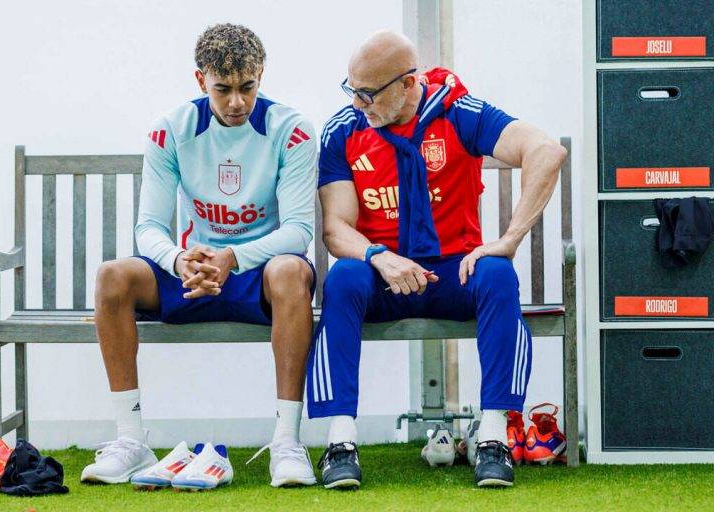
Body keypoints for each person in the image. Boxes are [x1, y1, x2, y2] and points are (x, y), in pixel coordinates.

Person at [308, 30, 567, 489]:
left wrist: (509, 239)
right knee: (344, 277)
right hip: (384, 276)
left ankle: (493, 437)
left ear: (408, 83)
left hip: (452, 272)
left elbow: (546, 151)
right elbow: (336, 228)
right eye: (351, 89)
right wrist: (378, 256)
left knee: (497, 273)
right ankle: (340, 442)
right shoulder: (344, 129)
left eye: (368, 93)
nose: (358, 103)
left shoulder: (459, 112)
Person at [80, 23, 318, 489]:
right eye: (222, 89)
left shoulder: (292, 130)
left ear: (262, 75)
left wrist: (233, 256)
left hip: (257, 273)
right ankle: (130, 440)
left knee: (292, 270)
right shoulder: (170, 129)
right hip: (191, 272)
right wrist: (178, 260)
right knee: (112, 275)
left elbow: (298, 232)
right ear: (200, 80)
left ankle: (287, 442)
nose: (237, 102)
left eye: (248, 87)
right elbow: (148, 227)